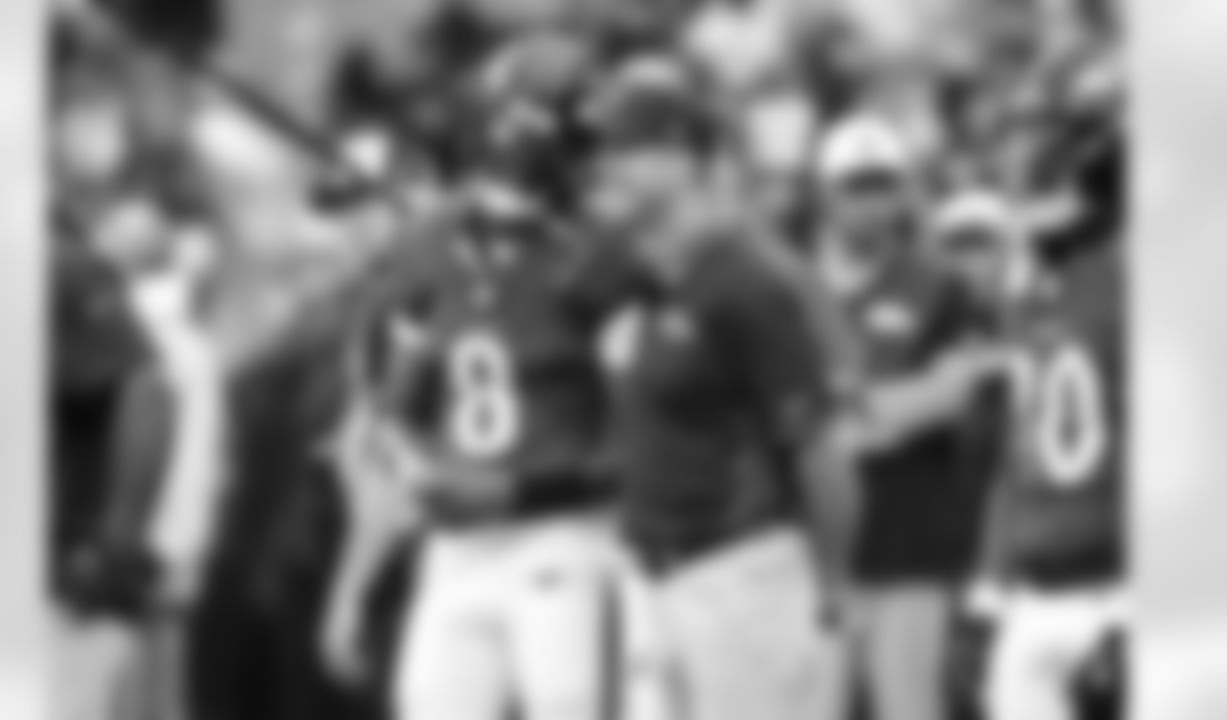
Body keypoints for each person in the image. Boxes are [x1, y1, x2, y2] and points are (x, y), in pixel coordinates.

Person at [585, 57, 852, 720]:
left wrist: (836, 581)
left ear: (682, 154)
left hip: (745, 574)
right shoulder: (646, 273)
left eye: (628, 144)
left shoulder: (746, 278)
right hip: (659, 581)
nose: (607, 163)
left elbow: (819, 448)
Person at [355, 158, 637, 720]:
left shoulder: (588, 273)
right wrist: (415, 468)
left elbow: (634, 440)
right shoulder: (432, 271)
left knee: (564, 705)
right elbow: (390, 413)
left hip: (558, 536)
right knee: (433, 704)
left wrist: (517, 493)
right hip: (457, 546)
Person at [812, 115, 1009, 720]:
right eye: (856, 187)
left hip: (909, 533)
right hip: (817, 545)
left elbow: (953, 393)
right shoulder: (792, 285)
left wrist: (852, 416)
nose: (871, 203)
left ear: (903, 191)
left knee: (907, 706)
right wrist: (880, 412)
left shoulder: (940, 284)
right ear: (826, 193)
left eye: (883, 185)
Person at [974, 237, 1126, 720]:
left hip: (1111, 579)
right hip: (1036, 591)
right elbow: (1012, 463)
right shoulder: (1028, 312)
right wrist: (989, 594)